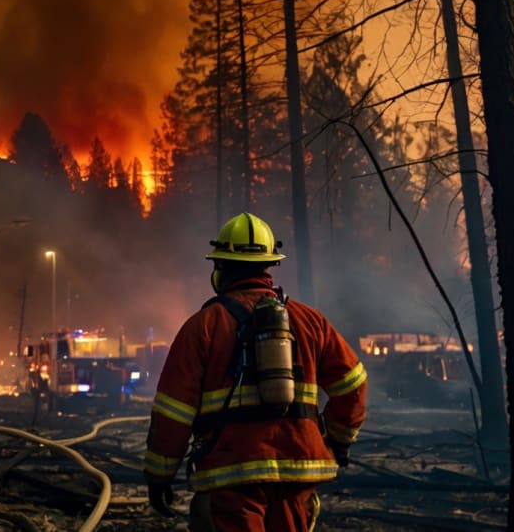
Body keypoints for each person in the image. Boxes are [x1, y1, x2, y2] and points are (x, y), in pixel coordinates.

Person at [144, 212, 367, 531]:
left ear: (220, 267)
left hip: (231, 479)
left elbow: (173, 412)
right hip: (297, 476)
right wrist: (338, 440)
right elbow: (353, 385)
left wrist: (159, 476)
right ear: (269, 265)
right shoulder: (310, 321)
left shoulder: (202, 327)